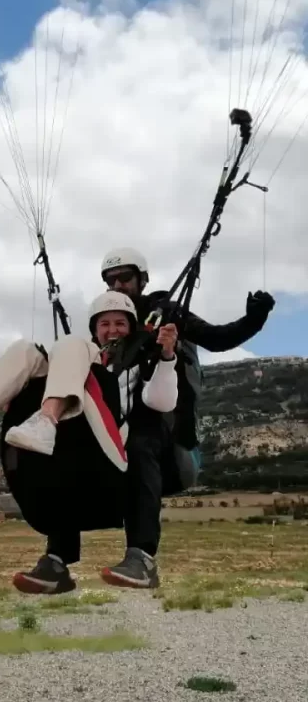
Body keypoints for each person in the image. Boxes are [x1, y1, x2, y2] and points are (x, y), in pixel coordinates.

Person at [0, 291, 180, 595]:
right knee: (26, 351)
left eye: (120, 324)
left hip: (112, 439)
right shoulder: (84, 356)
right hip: (78, 433)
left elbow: (162, 402)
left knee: (70, 345)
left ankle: (47, 419)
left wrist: (166, 358)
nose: (112, 330)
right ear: (96, 329)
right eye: (105, 324)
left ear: (132, 327)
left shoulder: (142, 359)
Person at [97, 247, 276, 589]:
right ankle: (56, 559)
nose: (117, 285)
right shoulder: (107, 326)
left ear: (142, 280)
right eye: (110, 280)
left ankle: (142, 559)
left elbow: (217, 338)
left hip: (169, 441)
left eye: (125, 278)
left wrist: (254, 319)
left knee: (141, 432)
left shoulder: (165, 311)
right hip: (117, 440)